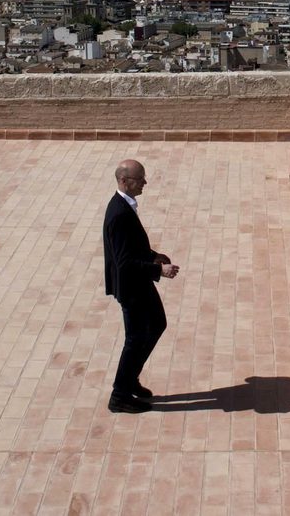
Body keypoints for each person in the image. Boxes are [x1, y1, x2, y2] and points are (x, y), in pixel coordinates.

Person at [103, 158, 178, 414]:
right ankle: (120, 395)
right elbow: (124, 262)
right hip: (131, 287)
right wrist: (159, 270)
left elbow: (131, 248)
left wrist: (152, 255)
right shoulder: (119, 213)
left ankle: (130, 377)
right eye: (140, 179)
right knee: (135, 339)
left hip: (138, 282)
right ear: (124, 181)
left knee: (156, 325)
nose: (144, 183)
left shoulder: (125, 206)